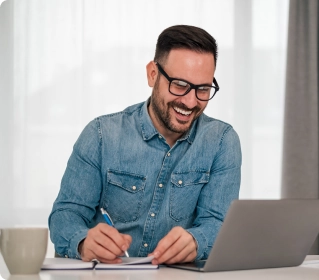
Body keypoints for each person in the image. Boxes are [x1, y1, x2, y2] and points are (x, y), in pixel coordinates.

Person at [49, 25, 242, 265]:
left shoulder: (223, 141)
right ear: (152, 74)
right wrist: (82, 241)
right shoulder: (100, 135)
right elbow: (65, 216)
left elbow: (217, 222)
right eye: (180, 85)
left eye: (203, 89)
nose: (191, 102)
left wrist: (197, 240)